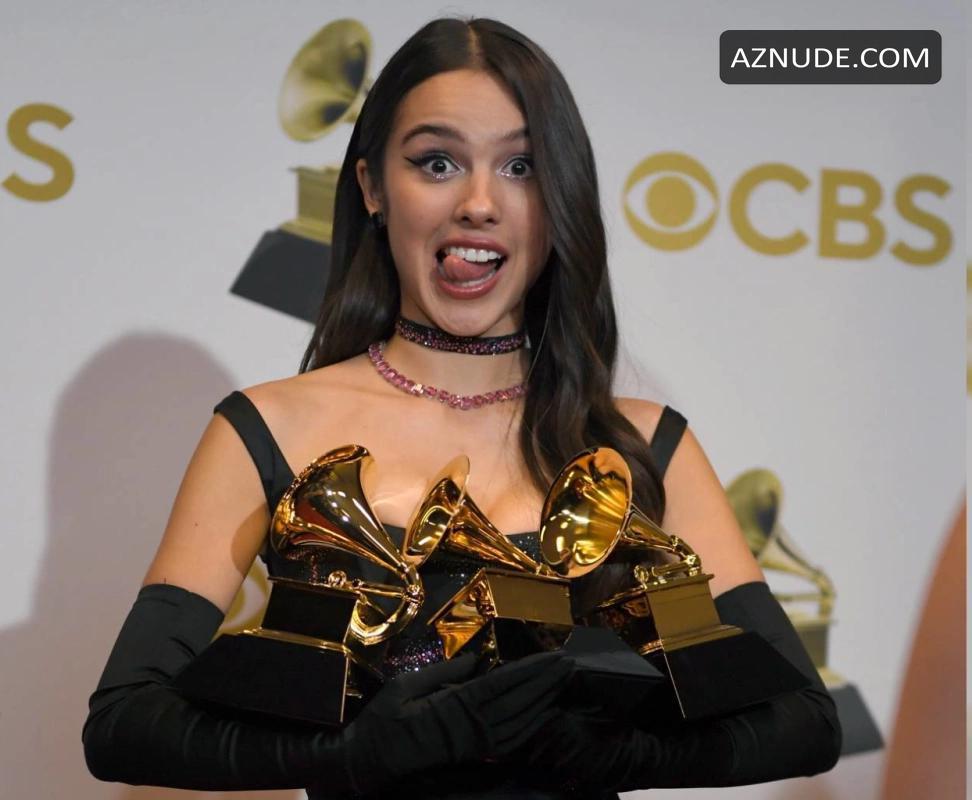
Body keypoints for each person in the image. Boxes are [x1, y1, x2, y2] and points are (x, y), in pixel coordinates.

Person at [82, 16, 841, 799]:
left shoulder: (645, 444)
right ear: (373, 187)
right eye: (437, 162)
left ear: (561, 199)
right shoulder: (267, 429)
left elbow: (807, 720)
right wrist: (350, 754)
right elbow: (124, 722)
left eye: (521, 166)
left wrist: (625, 755)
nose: (479, 203)